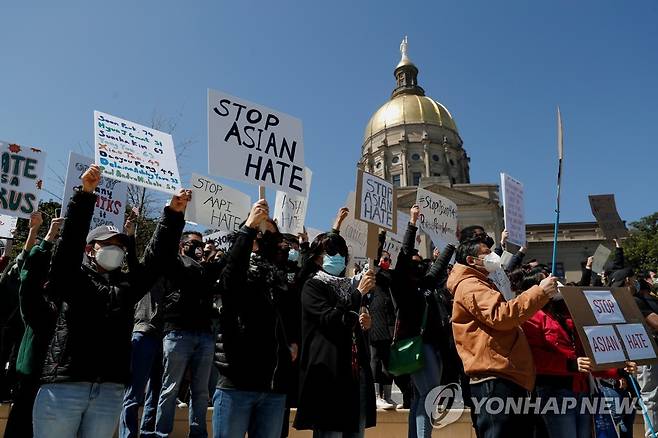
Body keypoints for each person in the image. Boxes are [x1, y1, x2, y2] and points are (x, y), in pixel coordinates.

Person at [31, 165, 184, 438]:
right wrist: (86, 194)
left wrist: (172, 215)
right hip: (66, 388)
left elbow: (155, 261)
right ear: (90, 250)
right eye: (109, 243)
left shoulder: (127, 286)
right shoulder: (73, 279)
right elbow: (67, 248)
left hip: (109, 392)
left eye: (121, 245)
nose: (117, 249)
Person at [447, 230, 558, 438]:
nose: (493, 257)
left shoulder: (480, 283)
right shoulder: (471, 285)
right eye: (487, 252)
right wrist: (539, 292)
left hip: (504, 376)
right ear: (471, 260)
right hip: (494, 379)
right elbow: (502, 315)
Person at [213, 199, 295, 438]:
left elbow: (288, 311)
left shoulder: (278, 275)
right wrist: (249, 227)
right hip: (237, 382)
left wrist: (292, 340)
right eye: (261, 232)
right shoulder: (234, 269)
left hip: (272, 386)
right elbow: (231, 277)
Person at [294, 207, 377, 438]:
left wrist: (364, 325)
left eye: (341, 251)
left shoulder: (348, 285)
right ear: (318, 258)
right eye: (331, 252)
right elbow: (332, 318)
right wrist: (357, 294)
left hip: (354, 374)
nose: (337, 256)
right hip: (328, 375)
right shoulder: (313, 286)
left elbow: (350, 322)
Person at [154, 225, 225, 438]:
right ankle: (162, 433)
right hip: (178, 332)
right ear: (182, 246)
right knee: (170, 388)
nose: (199, 248)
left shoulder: (206, 269)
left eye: (201, 245)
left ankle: (198, 433)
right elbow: (190, 275)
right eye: (194, 244)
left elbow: (218, 273)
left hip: (204, 334)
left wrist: (216, 258)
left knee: (201, 392)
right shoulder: (176, 264)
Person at [390, 205, 454, 437]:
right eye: (414, 261)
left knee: (421, 396)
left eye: (421, 261)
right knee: (429, 397)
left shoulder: (425, 284)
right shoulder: (401, 286)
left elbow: (437, 269)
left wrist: (451, 243)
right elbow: (405, 252)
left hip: (434, 345)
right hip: (417, 344)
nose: (419, 263)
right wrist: (413, 222)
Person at [4, 216, 63, 438]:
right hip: (30, 374)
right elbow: (27, 269)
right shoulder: (36, 302)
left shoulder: (64, 297)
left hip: (57, 382)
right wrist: (44, 236)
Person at [368, 246, 396, 411]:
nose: (383, 261)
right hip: (376, 320)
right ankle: (376, 395)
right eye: (382, 259)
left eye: (387, 259)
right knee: (375, 357)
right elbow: (373, 254)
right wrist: (381, 235)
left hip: (389, 322)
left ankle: (387, 395)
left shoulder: (390, 277)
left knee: (388, 361)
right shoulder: (373, 273)